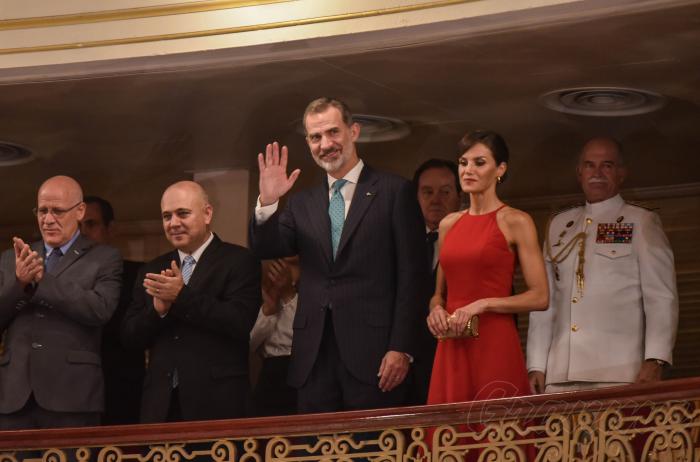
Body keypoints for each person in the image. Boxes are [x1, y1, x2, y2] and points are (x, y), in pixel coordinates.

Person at [249, 97, 429, 413]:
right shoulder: (301, 203)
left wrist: (401, 347)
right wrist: (267, 202)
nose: (325, 144)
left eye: (333, 132)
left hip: (376, 358)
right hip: (312, 360)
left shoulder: (393, 192)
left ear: (354, 131)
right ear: (308, 142)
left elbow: (413, 279)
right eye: (316, 137)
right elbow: (267, 247)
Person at [527, 137, 678, 393]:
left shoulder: (641, 221)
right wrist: (536, 364)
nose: (596, 173)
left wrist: (656, 358)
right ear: (579, 173)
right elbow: (545, 302)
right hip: (559, 374)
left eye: (606, 166)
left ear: (621, 173)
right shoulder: (558, 226)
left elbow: (661, 297)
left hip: (617, 371)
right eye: (589, 165)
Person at [121, 181, 261, 422]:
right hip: (161, 405)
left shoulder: (239, 261)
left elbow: (238, 322)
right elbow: (129, 337)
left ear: (207, 213)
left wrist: (181, 296)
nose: (173, 223)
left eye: (182, 213)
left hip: (217, 403)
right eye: (166, 216)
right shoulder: (152, 268)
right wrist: (157, 312)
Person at [426, 130, 548, 404]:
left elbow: (540, 297)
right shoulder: (449, 224)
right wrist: (435, 309)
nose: (468, 170)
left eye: (479, 163)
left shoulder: (516, 220)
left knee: (498, 436)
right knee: (449, 437)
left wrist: (482, 304)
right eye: (463, 162)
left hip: (495, 342)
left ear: (500, 169)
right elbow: (440, 293)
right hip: (452, 345)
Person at [0, 176, 122, 430]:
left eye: (57, 211)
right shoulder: (13, 258)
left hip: (72, 396)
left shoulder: (104, 257)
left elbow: (100, 309)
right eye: (42, 211)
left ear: (80, 211)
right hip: (14, 396)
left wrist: (43, 281)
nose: (48, 219)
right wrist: (20, 285)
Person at [80, 196, 145, 425]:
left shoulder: (138, 275)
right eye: (77, 226)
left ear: (110, 229)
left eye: (91, 224)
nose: (83, 233)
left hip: (123, 394)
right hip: (69, 397)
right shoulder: (56, 278)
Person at [409, 159, 461, 405]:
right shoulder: (400, 243)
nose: (435, 200)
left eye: (445, 192)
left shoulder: (475, 245)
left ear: (459, 197)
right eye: (427, 192)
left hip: (456, 361)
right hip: (405, 369)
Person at [249, 256, 299, 416]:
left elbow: (307, 336)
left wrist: (288, 295)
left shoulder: (315, 282)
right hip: (270, 373)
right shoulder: (257, 277)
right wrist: (268, 310)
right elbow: (250, 343)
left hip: (302, 370)